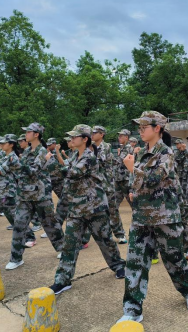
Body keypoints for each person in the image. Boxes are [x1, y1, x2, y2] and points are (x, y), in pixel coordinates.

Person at [117, 111, 188, 325]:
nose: (140, 130)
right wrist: (133, 189)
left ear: (157, 128)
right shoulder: (142, 152)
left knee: (174, 259)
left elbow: (153, 179)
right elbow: (137, 183)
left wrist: (132, 169)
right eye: (139, 127)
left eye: (144, 126)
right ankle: (132, 308)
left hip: (165, 216)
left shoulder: (166, 152)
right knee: (135, 263)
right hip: (141, 217)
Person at [47, 124, 126, 294]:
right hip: (76, 208)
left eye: (74, 136)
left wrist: (51, 162)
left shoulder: (90, 157)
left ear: (84, 139)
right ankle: (62, 279)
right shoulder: (75, 155)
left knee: (105, 240)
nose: (71, 139)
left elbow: (71, 173)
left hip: (94, 207)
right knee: (69, 245)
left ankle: (119, 265)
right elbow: (67, 169)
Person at [6, 123, 64, 270]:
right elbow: (21, 172)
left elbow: (33, 171)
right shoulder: (26, 151)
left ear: (36, 134)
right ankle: (16, 258)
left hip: (40, 195)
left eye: (28, 132)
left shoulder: (43, 151)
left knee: (50, 224)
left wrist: (17, 165)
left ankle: (63, 249)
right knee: (19, 225)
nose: (26, 134)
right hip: (25, 195)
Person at [92, 125, 127, 244]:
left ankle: (120, 234)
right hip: (94, 185)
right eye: (92, 133)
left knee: (112, 210)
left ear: (101, 134)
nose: (92, 135)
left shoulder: (106, 146)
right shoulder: (89, 147)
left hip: (106, 184)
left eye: (95, 133)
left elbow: (98, 161)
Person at [113, 129, 134, 242]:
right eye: (119, 136)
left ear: (127, 137)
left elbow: (119, 161)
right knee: (113, 206)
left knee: (135, 207)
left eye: (121, 136)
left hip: (126, 181)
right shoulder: (122, 148)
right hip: (118, 180)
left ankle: (138, 232)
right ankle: (120, 234)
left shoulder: (128, 148)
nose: (119, 137)